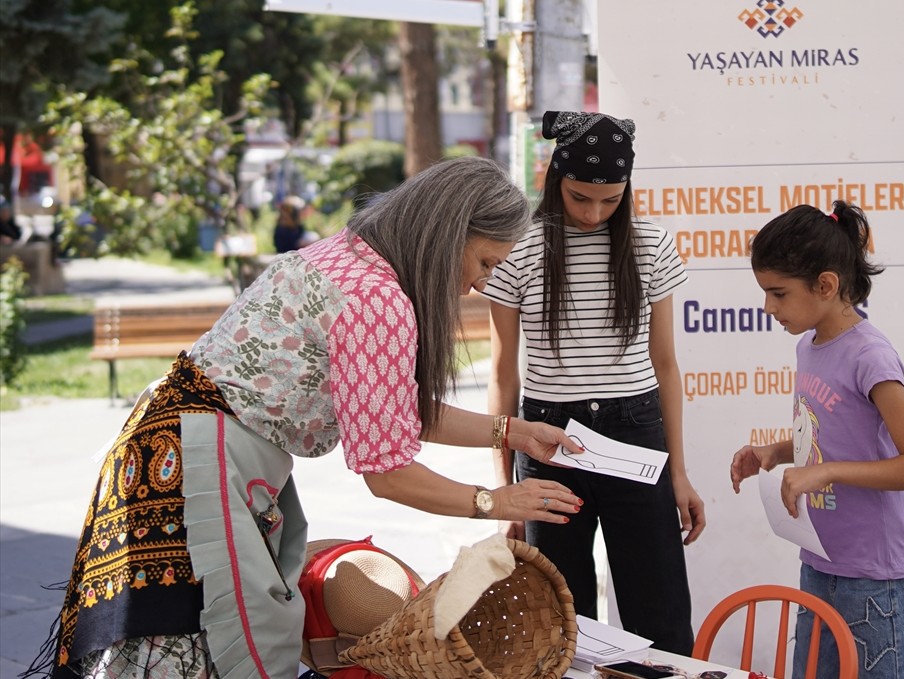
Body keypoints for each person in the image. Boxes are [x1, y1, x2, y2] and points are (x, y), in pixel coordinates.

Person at [27, 157, 585, 679]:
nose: (481, 284)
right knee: (232, 640)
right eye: (485, 263)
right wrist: (493, 502)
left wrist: (510, 432)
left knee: (176, 637)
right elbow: (387, 474)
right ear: (448, 234)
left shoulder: (348, 256)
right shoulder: (377, 299)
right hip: (199, 464)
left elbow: (386, 408)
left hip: (175, 445)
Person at [481, 110, 705, 655]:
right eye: (580, 197)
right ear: (556, 178)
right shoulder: (518, 249)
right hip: (547, 439)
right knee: (560, 621)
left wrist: (678, 474)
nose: (593, 213)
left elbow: (666, 365)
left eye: (610, 200)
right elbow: (503, 374)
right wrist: (503, 484)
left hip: (636, 431)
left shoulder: (651, 244)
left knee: (660, 616)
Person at [729, 201, 904, 679]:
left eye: (779, 293)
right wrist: (776, 452)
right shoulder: (808, 346)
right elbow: (833, 434)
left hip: (876, 579)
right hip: (821, 562)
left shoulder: (871, 356)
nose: (768, 308)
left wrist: (825, 472)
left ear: (825, 285)